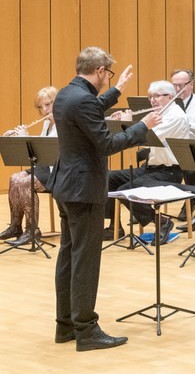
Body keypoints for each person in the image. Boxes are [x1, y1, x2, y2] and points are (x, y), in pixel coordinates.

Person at [47, 47, 161, 351]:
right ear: (99, 71)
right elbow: (107, 144)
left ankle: (65, 326)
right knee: (85, 260)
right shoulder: (82, 99)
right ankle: (86, 329)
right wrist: (143, 127)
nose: (106, 79)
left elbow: (90, 108)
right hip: (83, 187)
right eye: (107, 74)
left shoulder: (65, 93)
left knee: (69, 255)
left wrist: (117, 90)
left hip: (66, 183)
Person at [102, 79, 192, 243]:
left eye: (157, 96)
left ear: (170, 96)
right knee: (107, 178)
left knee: (126, 190)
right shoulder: (157, 114)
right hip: (150, 168)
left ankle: (163, 222)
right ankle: (114, 227)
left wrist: (129, 124)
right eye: (151, 97)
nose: (152, 100)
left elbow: (146, 137)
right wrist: (121, 123)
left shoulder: (176, 117)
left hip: (169, 171)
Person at [1, 86, 58, 246]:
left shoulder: (63, 122)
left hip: (58, 169)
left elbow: (49, 151)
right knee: (14, 178)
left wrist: (26, 137)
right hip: (46, 166)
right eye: (41, 107)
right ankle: (15, 226)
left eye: (48, 104)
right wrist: (21, 138)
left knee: (25, 182)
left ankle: (32, 230)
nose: (44, 110)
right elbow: (39, 150)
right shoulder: (47, 123)